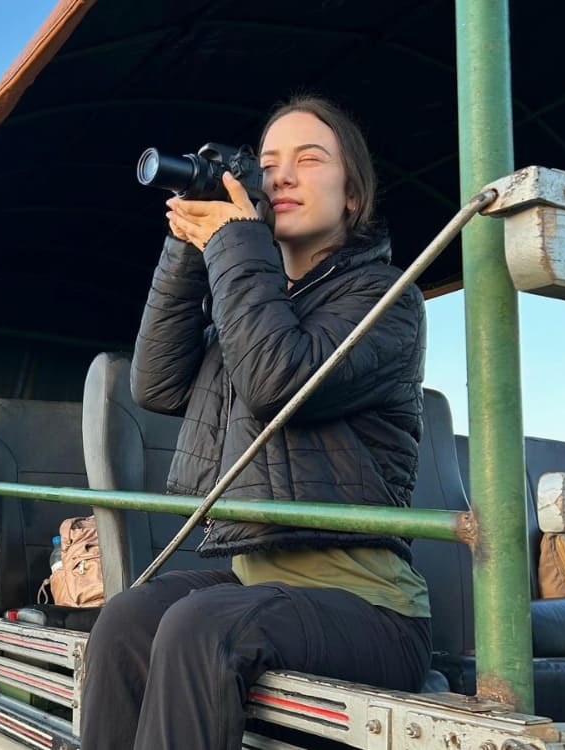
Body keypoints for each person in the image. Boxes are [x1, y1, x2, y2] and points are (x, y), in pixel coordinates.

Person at [79, 96, 431, 750]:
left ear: (352, 196)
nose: (283, 177)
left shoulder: (388, 299)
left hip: (373, 608)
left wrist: (233, 241)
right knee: (127, 617)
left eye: (309, 159)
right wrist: (189, 250)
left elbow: (280, 381)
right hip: (258, 580)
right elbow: (155, 385)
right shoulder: (253, 305)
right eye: (268, 165)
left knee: (199, 626)